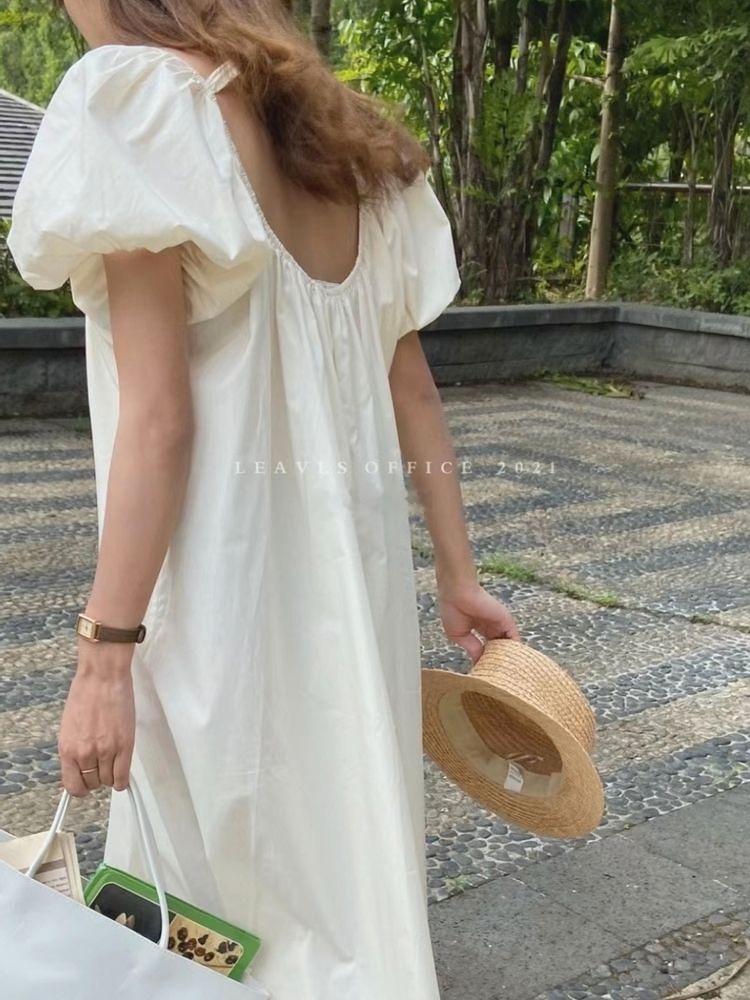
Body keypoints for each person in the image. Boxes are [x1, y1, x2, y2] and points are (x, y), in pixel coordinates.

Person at [8, 1, 521, 997]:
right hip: (352, 600)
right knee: (336, 859)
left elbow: (160, 421)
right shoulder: (348, 151)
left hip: (215, 599)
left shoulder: (139, 104)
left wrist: (104, 660)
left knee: (208, 899)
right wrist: (459, 577)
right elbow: (413, 391)